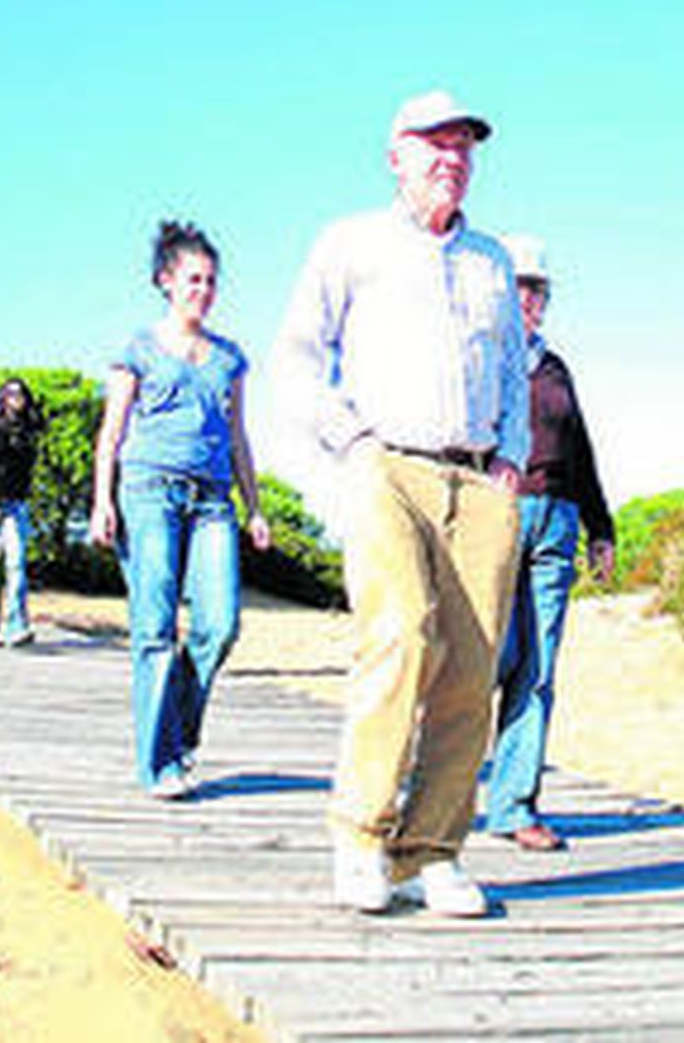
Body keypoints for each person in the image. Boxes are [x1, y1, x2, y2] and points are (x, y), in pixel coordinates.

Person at [271, 90, 529, 917]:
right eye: (434, 143)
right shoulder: (349, 242)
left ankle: (431, 853)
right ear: (395, 157)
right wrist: (350, 441)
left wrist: (513, 457)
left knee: (473, 669)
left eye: (464, 146)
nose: (452, 158)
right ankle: (360, 837)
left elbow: (514, 370)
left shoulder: (491, 260)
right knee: (400, 636)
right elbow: (296, 356)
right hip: (386, 464)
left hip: (480, 481)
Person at [91, 220, 272, 801]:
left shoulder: (229, 359)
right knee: (155, 627)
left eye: (211, 281)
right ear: (166, 281)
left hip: (213, 500)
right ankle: (160, 764)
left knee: (219, 624)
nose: (204, 290)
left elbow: (238, 436)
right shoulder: (138, 350)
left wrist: (255, 507)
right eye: (193, 279)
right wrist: (101, 501)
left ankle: (177, 729)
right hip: (148, 491)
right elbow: (112, 431)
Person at [487, 235, 615, 853]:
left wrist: (601, 527)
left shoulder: (557, 367)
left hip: (558, 521)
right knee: (492, 657)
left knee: (538, 668)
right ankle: (435, 794)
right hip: (497, 515)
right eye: (520, 288)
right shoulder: (484, 357)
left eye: (538, 290)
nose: (530, 299)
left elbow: (580, 449)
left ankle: (514, 806)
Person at [0, 377, 44, 647]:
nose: (16, 399)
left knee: (16, 564)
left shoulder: (28, 432)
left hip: (16, 503)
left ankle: (16, 626)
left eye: (21, 394)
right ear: (2, 398)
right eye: (11, 394)